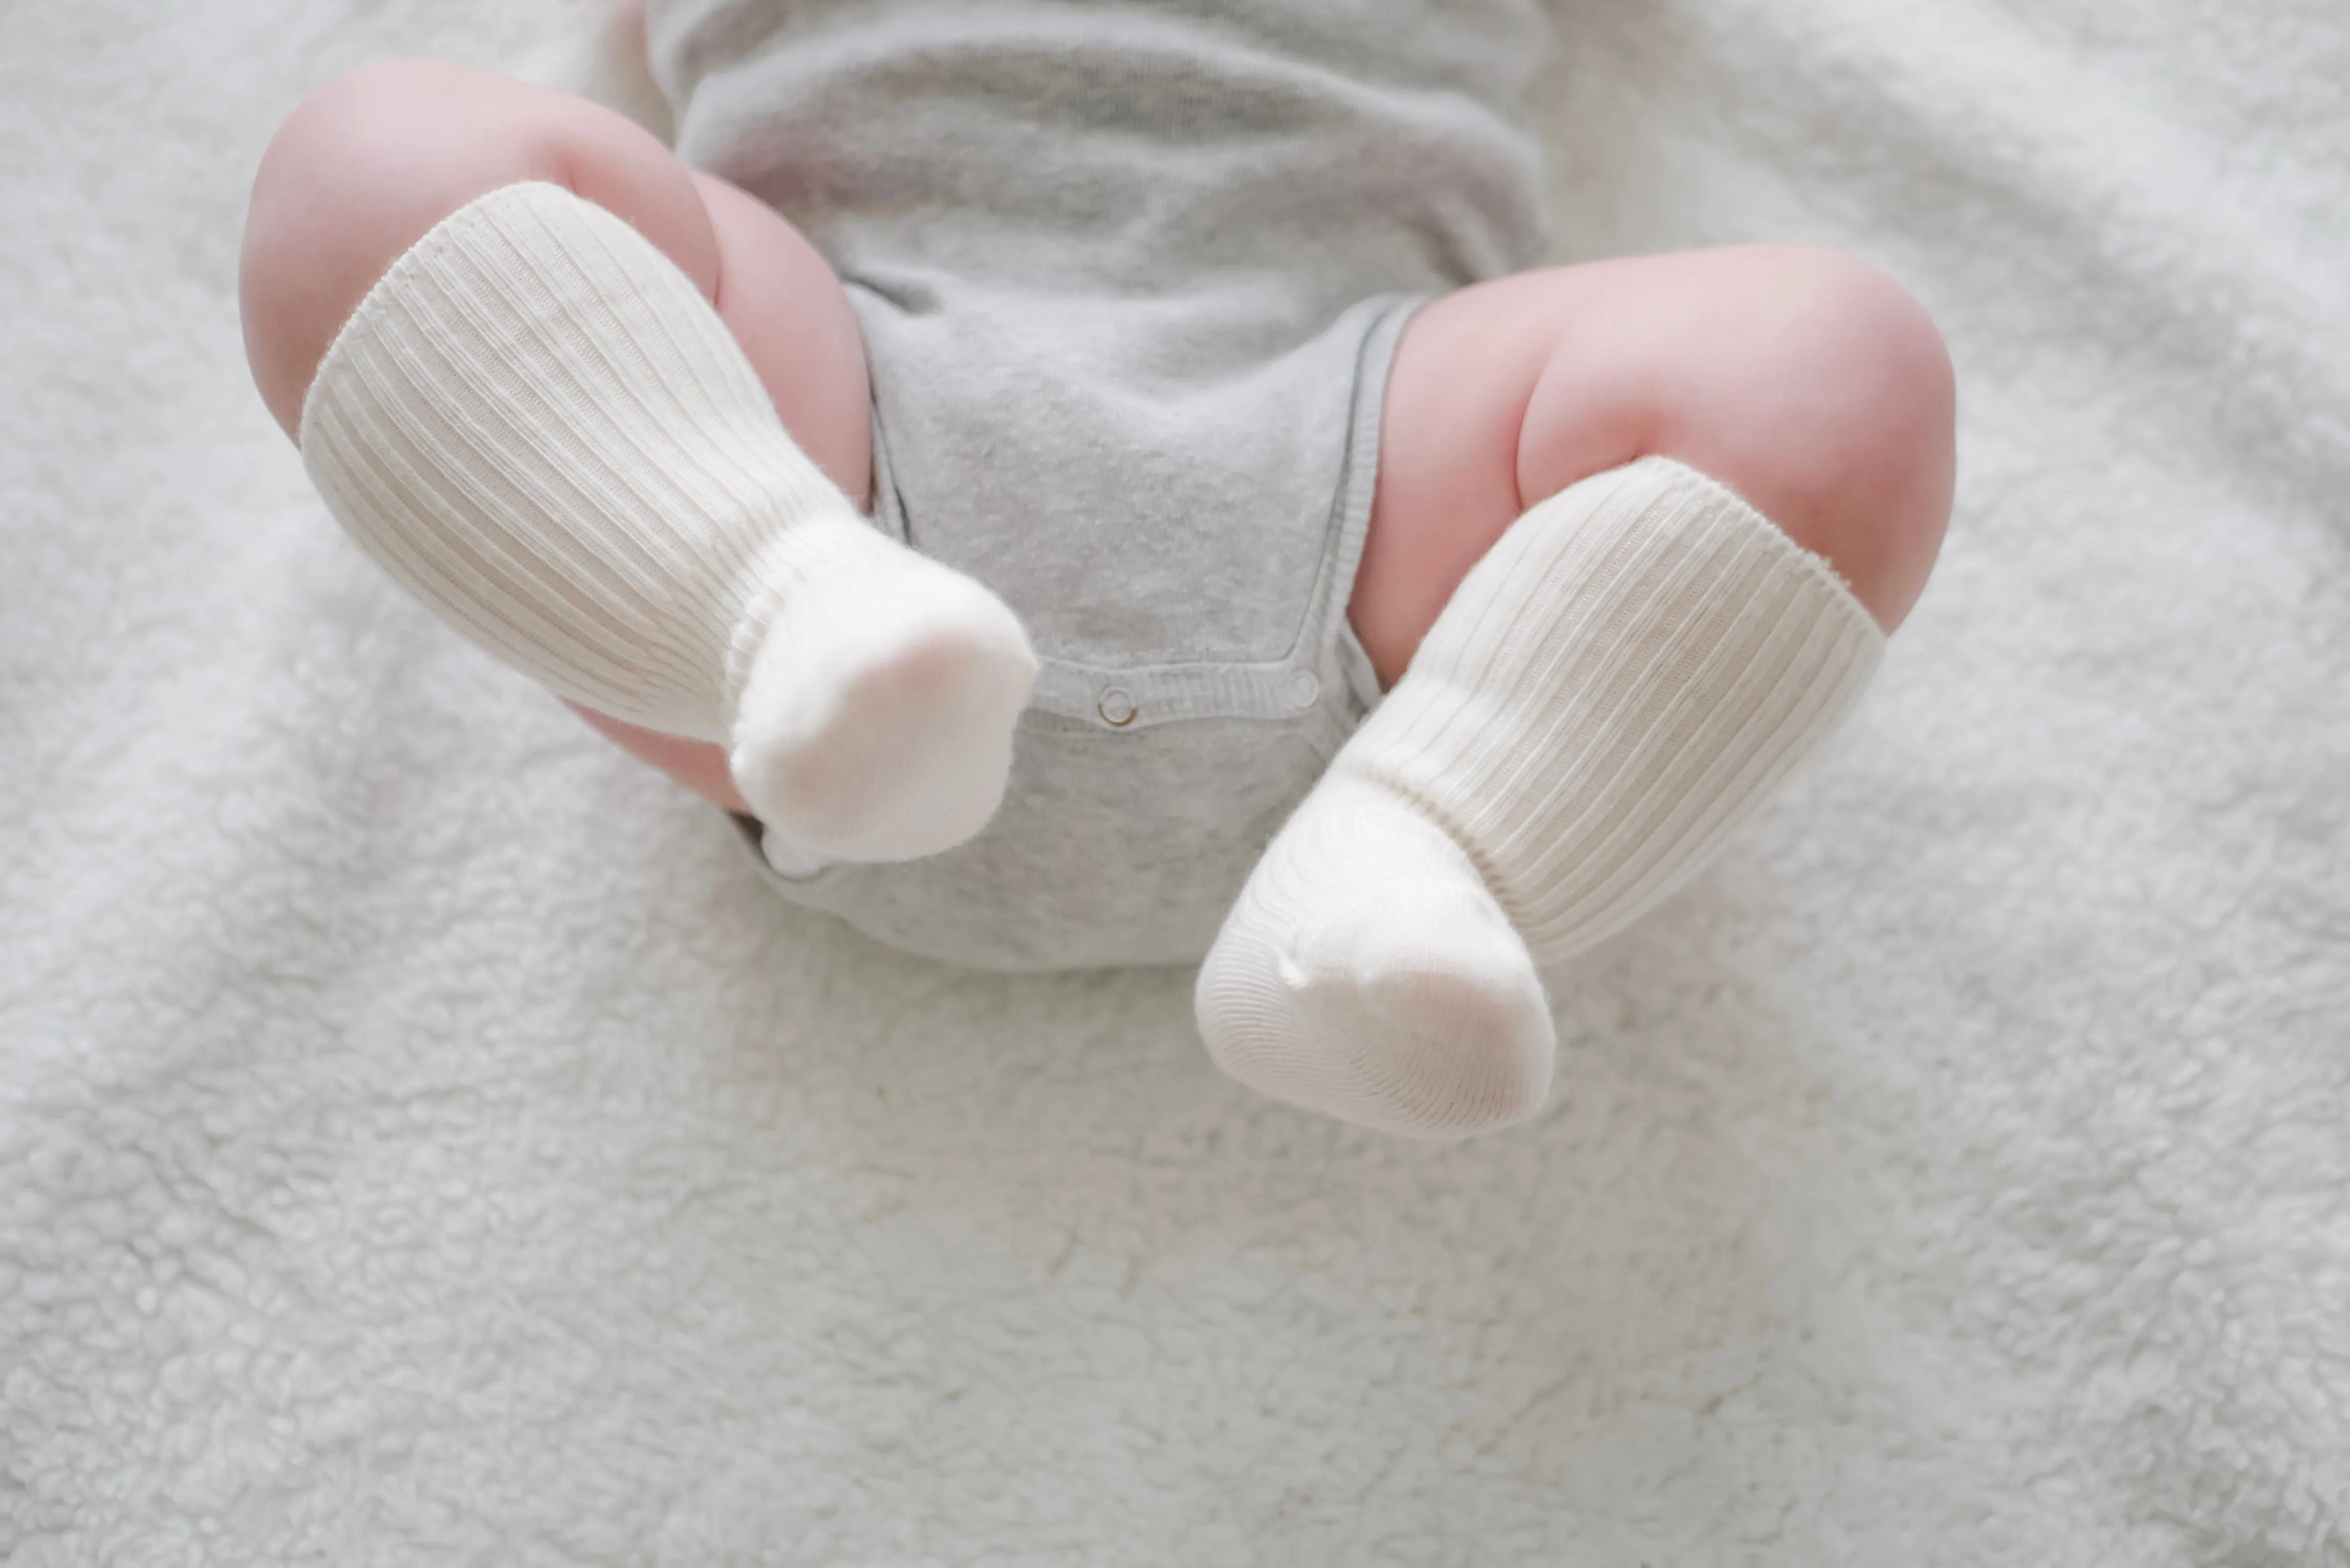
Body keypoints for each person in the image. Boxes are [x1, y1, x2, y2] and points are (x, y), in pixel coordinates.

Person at [239, 0, 1953, 1139]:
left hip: (1385, 514)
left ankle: (1446, 846)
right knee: (372, 165)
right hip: (818, 462)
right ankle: (775, 614)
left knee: (1835, 361)